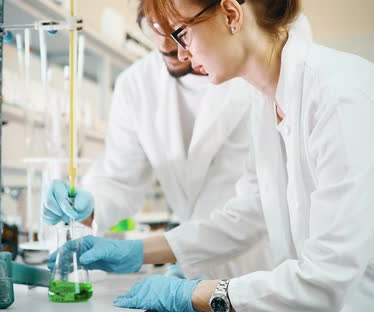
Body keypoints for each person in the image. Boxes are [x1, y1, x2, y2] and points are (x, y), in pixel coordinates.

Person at [50, 0, 374, 311]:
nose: (180, 53)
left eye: (183, 34)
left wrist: (191, 294)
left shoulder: (340, 99)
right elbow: (250, 210)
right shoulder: (267, 101)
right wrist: (142, 251)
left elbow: (325, 280)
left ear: (232, 14)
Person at [41, 0, 272, 279]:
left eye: (176, 27)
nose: (164, 43)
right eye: (152, 24)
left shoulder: (254, 72)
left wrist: (145, 251)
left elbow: (257, 203)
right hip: (188, 262)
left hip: (259, 264)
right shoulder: (136, 85)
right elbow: (118, 179)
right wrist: (88, 208)